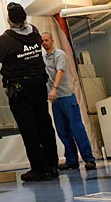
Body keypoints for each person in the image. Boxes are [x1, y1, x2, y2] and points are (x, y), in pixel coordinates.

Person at [0, 2, 59, 182]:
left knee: (29, 128)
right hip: (39, 84)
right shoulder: (34, 32)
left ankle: (40, 169)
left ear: (9, 20)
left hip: (19, 88)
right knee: (44, 125)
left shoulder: (6, 40)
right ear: (24, 18)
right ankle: (52, 165)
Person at [41, 32, 96, 170]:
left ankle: (89, 159)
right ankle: (71, 160)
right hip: (56, 100)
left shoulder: (60, 55)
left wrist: (54, 88)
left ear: (52, 40)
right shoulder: (43, 58)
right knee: (62, 131)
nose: (44, 43)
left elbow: (60, 71)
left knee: (77, 128)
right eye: (42, 41)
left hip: (66, 96)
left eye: (47, 40)